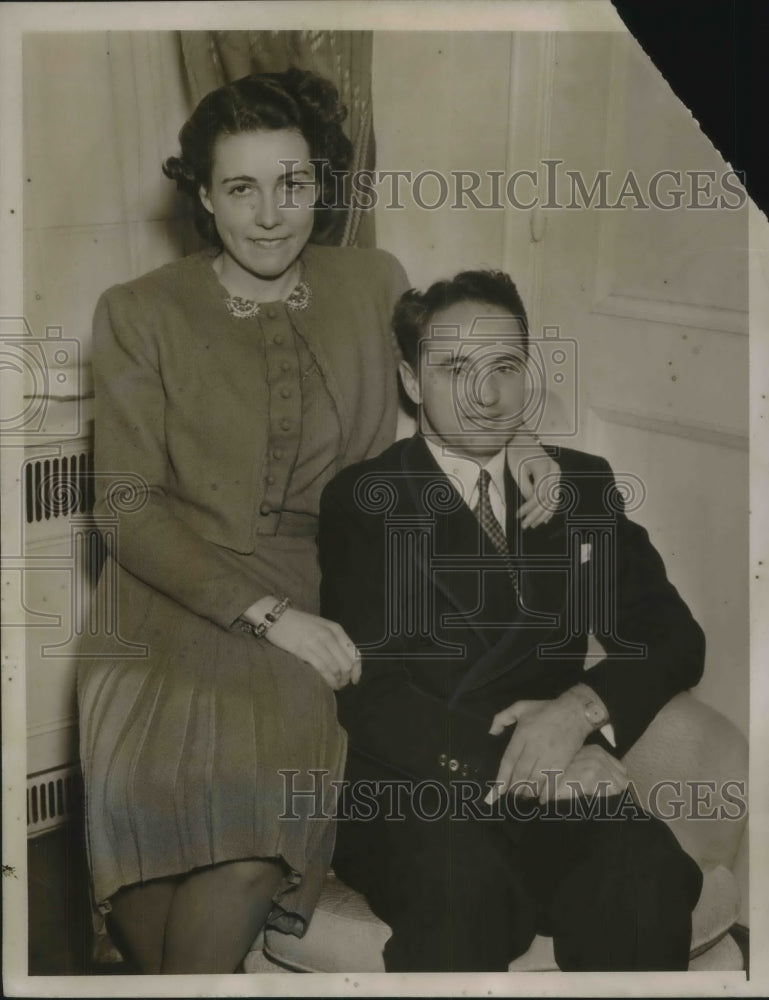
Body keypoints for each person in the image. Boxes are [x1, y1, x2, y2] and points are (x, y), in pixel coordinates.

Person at [76, 71, 556, 975]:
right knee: (144, 837)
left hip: (317, 596)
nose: (270, 214)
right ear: (204, 197)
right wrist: (262, 614)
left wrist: (522, 438)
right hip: (161, 598)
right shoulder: (137, 311)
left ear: (320, 184)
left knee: (254, 834)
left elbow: (453, 370)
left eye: (291, 184)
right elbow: (126, 506)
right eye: (241, 188)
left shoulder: (374, 280)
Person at [318, 269, 706, 972]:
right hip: (422, 788)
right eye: (453, 369)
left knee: (643, 874)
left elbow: (673, 638)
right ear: (411, 380)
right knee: (463, 893)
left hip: (564, 780)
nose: (484, 395)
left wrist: (577, 711)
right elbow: (373, 691)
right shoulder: (367, 500)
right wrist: (529, 759)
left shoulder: (579, 484)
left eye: (503, 367)